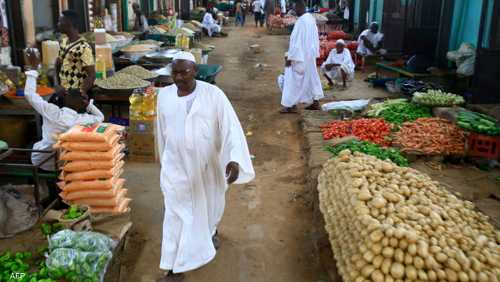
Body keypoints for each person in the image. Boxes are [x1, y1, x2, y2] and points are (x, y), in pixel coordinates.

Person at [156, 51, 255, 282]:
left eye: (184, 72)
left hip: (207, 167)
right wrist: (163, 159)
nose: (179, 77)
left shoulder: (214, 95)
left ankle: (210, 231)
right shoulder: (164, 97)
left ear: (196, 71)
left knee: (210, 206)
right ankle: (174, 269)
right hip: (175, 168)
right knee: (175, 215)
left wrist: (234, 158)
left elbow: (230, 127)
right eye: (175, 72)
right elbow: (161, 131)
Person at [24, 50, 104, 171]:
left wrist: (33, 69)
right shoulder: (83, 120)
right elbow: (100, 118)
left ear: (66, 98)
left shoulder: (53, 112)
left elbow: (29, 94)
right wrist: (88, 105)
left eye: (69, 92)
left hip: (42, 161)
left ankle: (34, 180)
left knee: (29, 143)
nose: (67, 91)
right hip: (66, 162)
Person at [280, 0, 324, 113]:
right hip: (309, 56)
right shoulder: (310, 19)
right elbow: (315, 38)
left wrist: (290, 58)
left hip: (300, 57)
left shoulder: (301, 22)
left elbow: (296, 42)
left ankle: (290, 105)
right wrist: (313, 53)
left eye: (295, 8)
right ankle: (315, 103)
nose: (294, 10)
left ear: (300, 8)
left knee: (292, 80)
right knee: (311, 79)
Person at [55, 10, 95, 99]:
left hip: (75, 96)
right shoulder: (63, 42)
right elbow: (58, 64)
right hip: (64, 93)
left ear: (68, 23)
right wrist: (58, 85)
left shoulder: (84, 47)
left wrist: (82, 92)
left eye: (60, 21)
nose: (58, 24)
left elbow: (91, 75)